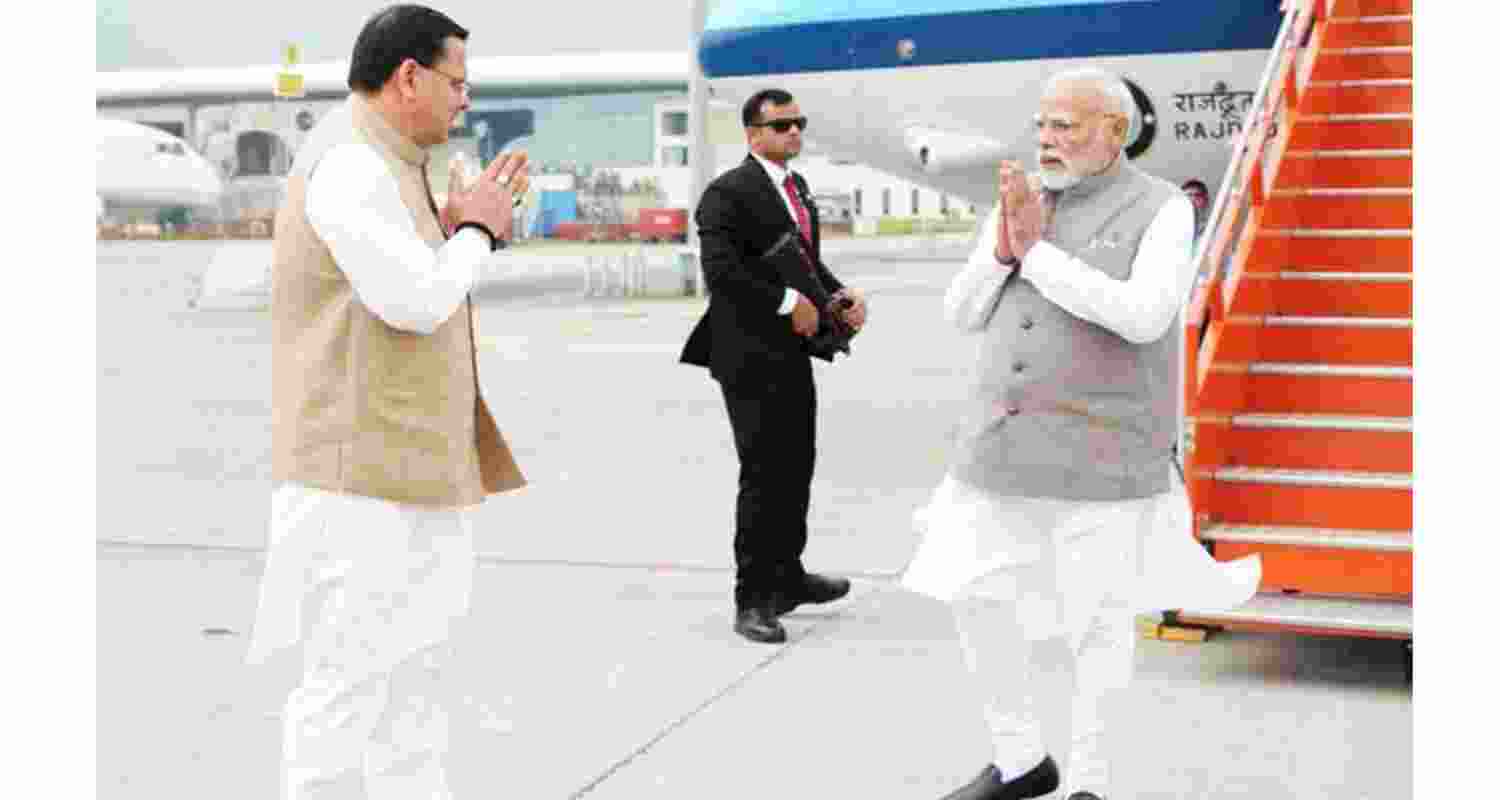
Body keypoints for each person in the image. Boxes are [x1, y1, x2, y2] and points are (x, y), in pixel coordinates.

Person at [900, 68, 1261, 800]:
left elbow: (1143, 316)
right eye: (1043, 124)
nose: (1047, 139)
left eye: (1066, 125)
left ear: (1115, 132)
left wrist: (1037, 255)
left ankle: (1090, 784)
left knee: (1097, 627)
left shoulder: (1163, 209)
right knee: (972, 593)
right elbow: (962, 312)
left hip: (1103, 451)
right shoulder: (1020, 202)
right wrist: (1004, 250)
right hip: (998, 446)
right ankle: (1019, 758)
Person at [243, 5, 532, 797]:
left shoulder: (395, 162)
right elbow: (412, 299)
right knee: (347, 686)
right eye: (457, 82)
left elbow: (409, 278)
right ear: (409, 76)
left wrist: (458, 225)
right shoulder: (349, 163)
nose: (464, 100)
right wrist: (478, 235)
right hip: (356, 483)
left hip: (411, 472)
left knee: (416, 682)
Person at [680, 88, 870, 644]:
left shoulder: (796, 189)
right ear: (752, 134)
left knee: (796, 465)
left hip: (792, 350)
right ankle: (753, 598)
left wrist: (837, 294)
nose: (793, 133)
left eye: (798, 124)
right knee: (764, 474)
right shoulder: (727, 193)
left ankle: (787, 576)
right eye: (781, 125)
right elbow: (723, 274)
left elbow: (803, 262)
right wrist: (791, 303)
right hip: (746, 352)